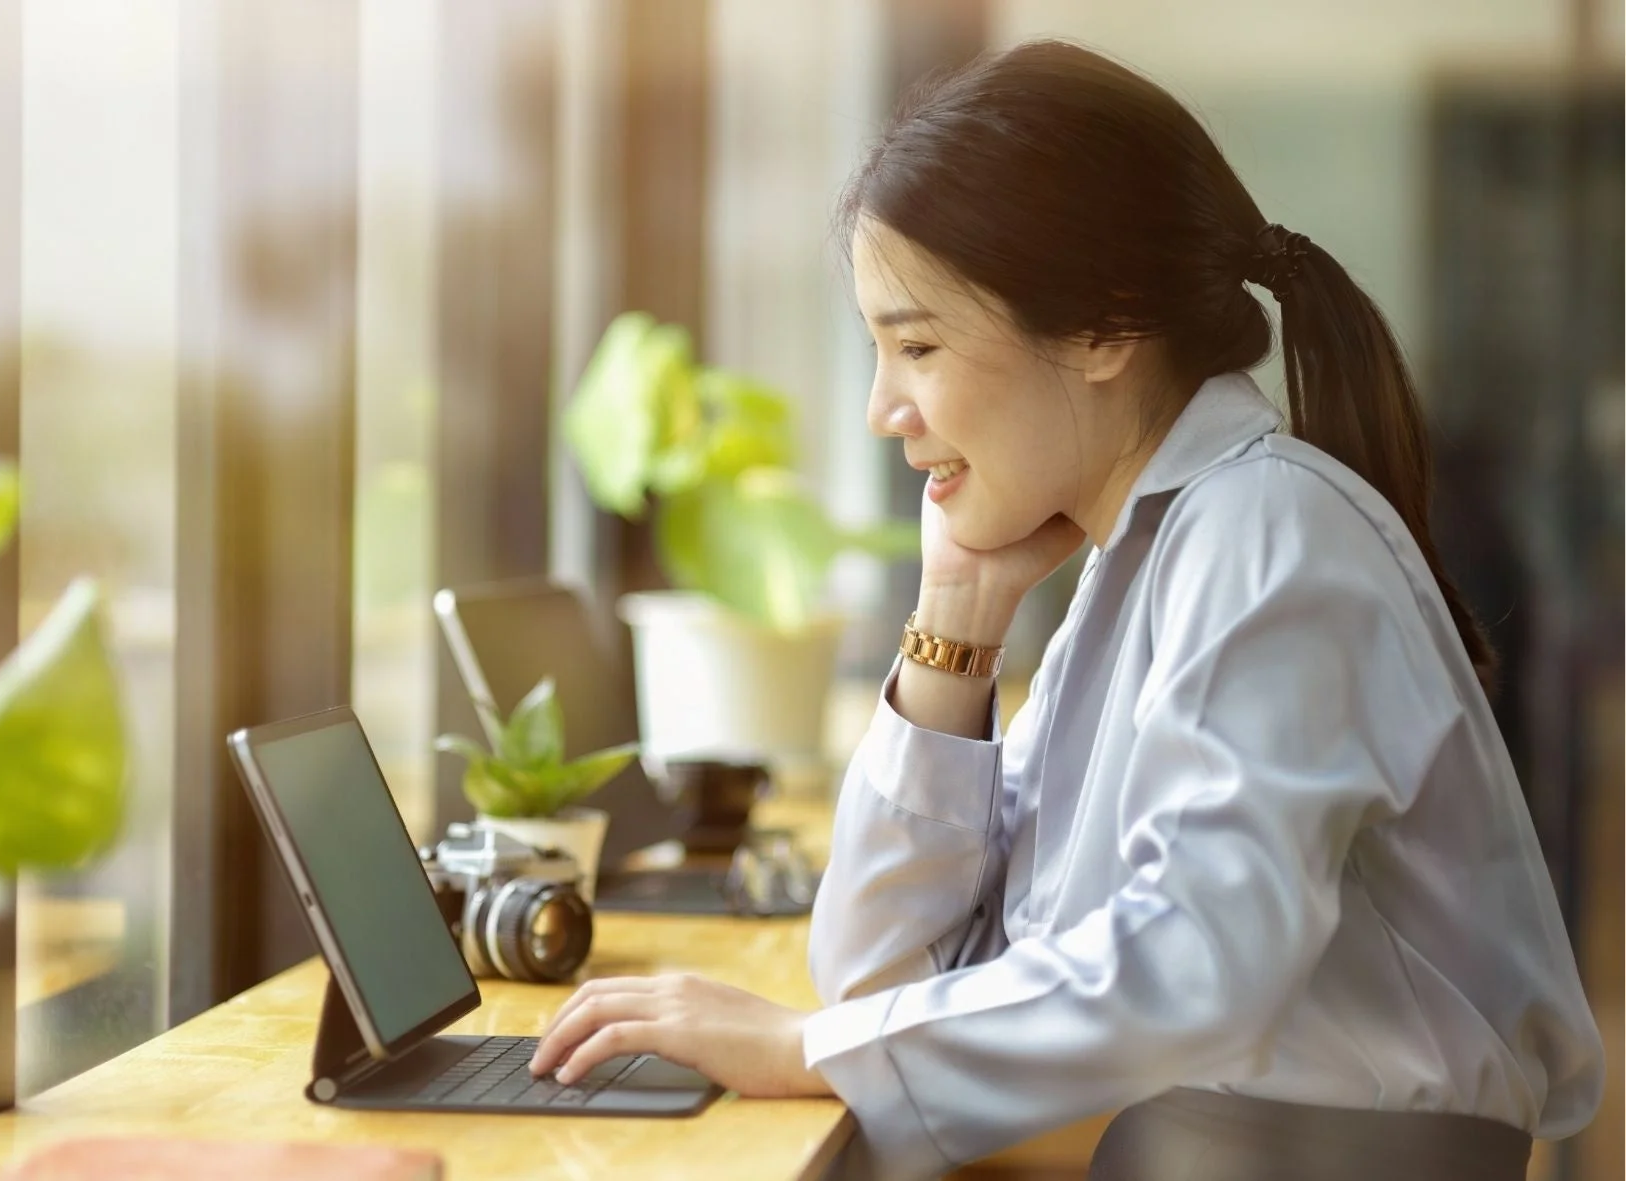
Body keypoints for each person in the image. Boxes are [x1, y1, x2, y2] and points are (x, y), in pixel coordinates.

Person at [529, 40, 1604, 1180]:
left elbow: (1203, 957)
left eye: (918, 345)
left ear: (1103, 325)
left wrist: (807, 1050)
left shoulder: (1269, 539)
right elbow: (886, 984)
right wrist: (959, 608)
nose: (881, 408)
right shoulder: (1154, 556)